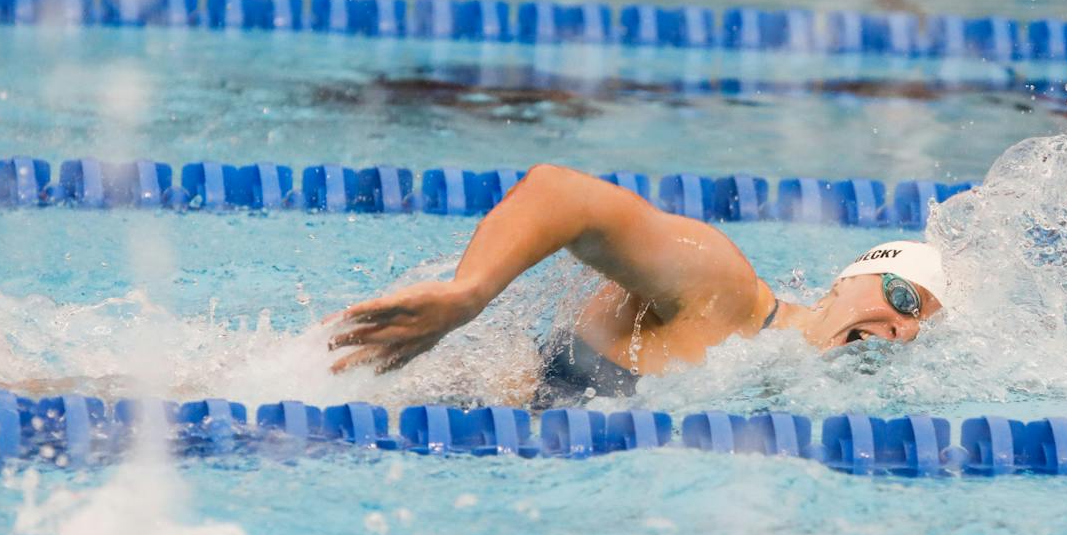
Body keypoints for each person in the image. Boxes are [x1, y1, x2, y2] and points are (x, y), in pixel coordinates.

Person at [327, 164, 948, 400]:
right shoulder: (724, 291)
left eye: (918, 325)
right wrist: (469, 294)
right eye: (902, 297)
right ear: (845, 282)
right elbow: (561, 193)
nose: (902, 327)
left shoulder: (791, 390)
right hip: (397, 403)